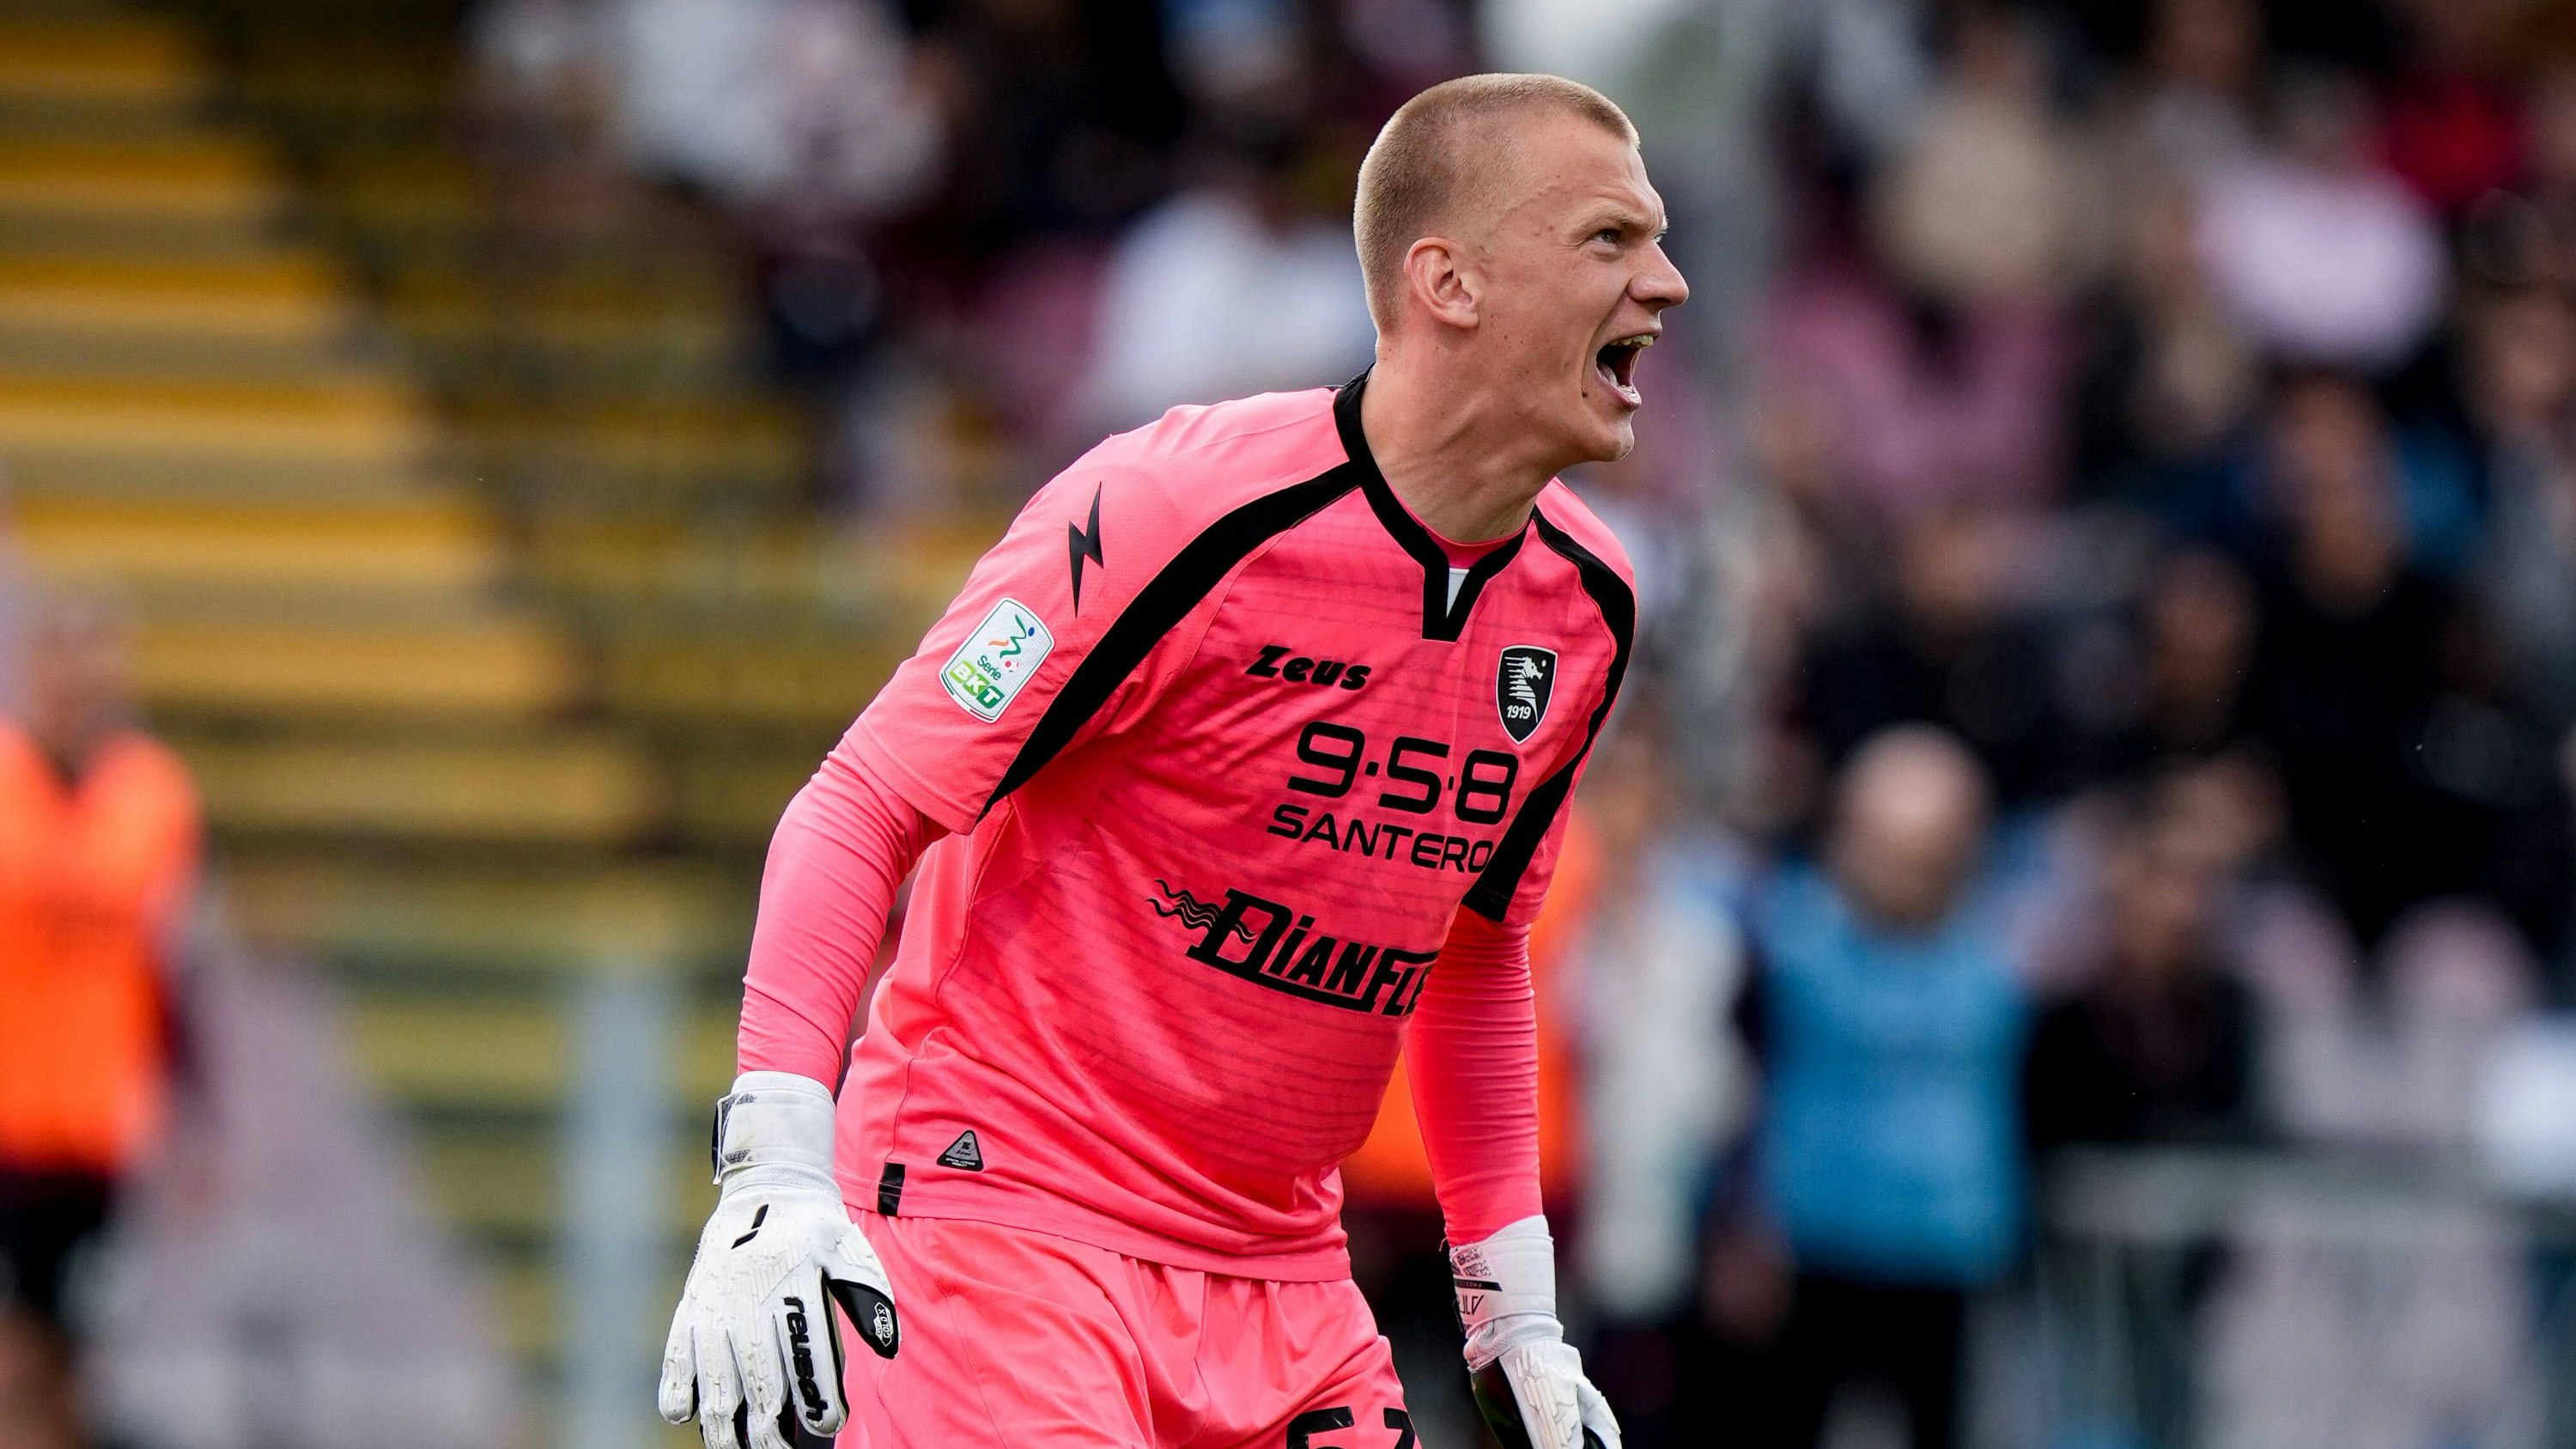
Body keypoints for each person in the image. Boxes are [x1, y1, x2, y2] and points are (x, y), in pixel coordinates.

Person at [657, 72, 1686, 1449]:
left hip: (1285, 1275)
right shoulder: (1172, 506)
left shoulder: (1591, 602)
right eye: (1611, 240)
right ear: (1450, 282)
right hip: (999, 1221)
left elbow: (1478, 944)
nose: (1666, 283)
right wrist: (776, 1166)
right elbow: (863, 801)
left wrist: (1517, 1313)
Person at [1739, 727, 2027, 1449]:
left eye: (1926, 856)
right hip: (1817, 1240)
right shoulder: (1790, 940)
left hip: (1946, 1248)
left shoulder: (2002, 959)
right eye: (1887, 849)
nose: (1903, 875)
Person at [0, 594, 202, 1449]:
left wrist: (194, 1111)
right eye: (59, 655)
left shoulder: (153, 796)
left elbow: (175, 972)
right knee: (17, 1350)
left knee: (75, 1353)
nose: (73, 679)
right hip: (8, 1124)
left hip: (100, 1135)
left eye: (90, 658)